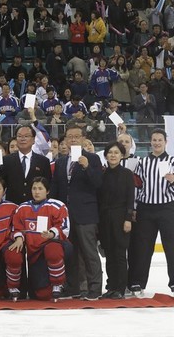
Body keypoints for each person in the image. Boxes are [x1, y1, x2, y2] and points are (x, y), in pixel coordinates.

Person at [51, 125, 103, 300]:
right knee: (70, 253)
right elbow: (56, 189)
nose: (73, 139)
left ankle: (94, 288)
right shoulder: (60, 162)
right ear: (65, 140)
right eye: (69, 137)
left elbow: (98, 184)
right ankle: (73, 287)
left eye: (76, 136)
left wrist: (87, 167)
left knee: (89, 253)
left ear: (83, 139)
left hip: (86, 213)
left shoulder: (93, 159)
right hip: (66, 216)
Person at [5, 177, 70, 301]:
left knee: (52, 249)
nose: (37, 192)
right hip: (34, 251)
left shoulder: (57, 205)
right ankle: (13, 288)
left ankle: (58, 284)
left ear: (47, 191)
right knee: (41, 295)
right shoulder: (22, 208)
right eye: (34, 188)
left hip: (55, 245)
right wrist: (19, 238)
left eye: (40, 188)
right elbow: (15, 227)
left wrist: (52, 234)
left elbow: (65, 227)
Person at [129, 129, 174, 295]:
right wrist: (134, 208)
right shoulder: (142, 162)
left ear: (165, 142)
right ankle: (138, 282)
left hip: (168, 208)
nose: (156, 143)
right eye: (154, 140)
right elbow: (137, 185)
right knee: (143, 247)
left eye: (159, 140)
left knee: (172, 246)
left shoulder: (172, 161)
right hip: (145, 208)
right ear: (150, 142)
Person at [97, 141, 134, 300]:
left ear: (121, 155)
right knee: (109, 254)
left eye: (116, 153)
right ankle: (111, 287)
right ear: (106, 155)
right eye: (110, 152)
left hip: (120, 218)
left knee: (119, 254)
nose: (113, 155)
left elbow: (130, 198)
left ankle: (120, 287)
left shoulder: (126, 174)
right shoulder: (102, 174)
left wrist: (128, 219)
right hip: (105, 219)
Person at [0, 125, 52, 204]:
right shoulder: (7, 160)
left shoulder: (43, 161)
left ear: (33, 140)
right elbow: (0, 183)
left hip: (36, 207)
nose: (22, 139)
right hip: (13, 206)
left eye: (26, 136)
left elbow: (48, 185)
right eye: (19, 136)